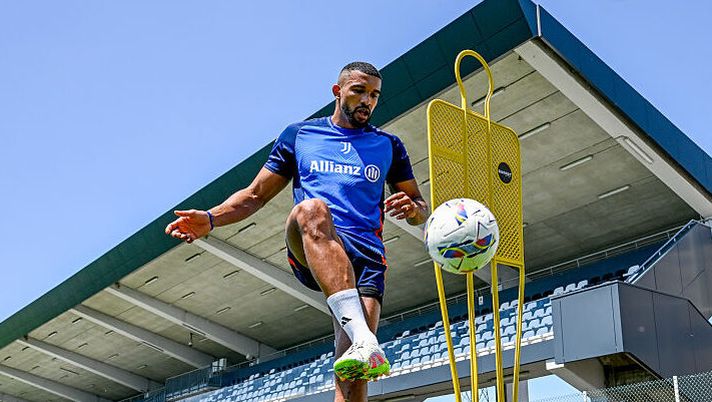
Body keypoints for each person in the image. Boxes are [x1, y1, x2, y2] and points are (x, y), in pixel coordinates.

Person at [165, 61, 428, 402]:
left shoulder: (389, 145)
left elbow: (419, 205)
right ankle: (363, 334)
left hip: (366, 257)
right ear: (338, 91)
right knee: (311, 209)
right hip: (313, 242)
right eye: (359, 91)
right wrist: (211, 218)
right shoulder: (300, 135)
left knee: (353, 374)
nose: (368, 101)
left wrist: (413, 209)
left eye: (375, 95)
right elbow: (255, 195)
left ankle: (361, 341)